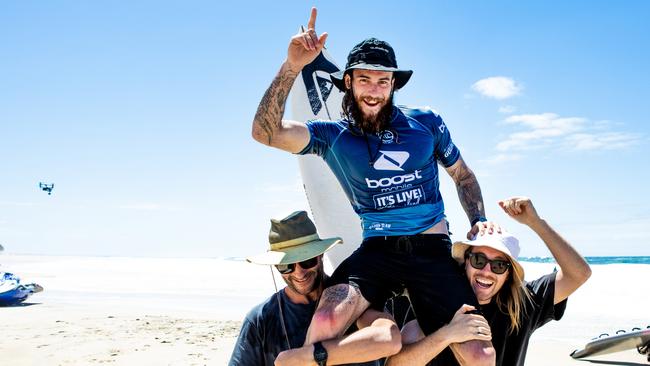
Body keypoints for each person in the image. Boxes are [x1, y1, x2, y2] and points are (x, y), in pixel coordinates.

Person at [251, 7, 496, 365]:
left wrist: (479, 220)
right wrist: (292, 66)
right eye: (365, 79)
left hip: (430, 248)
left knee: (480, 353)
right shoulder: (332, 136)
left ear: (394, 84)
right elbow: (265, 133)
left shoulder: (426, 123)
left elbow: (463, 176)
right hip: (376, 250)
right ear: (347, 82)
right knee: (324, 320)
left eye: (383, 81)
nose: (374, 91)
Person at [386, 196, 592, 366]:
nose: (486, 271)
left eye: (498, 265)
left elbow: (579, 274)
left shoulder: (523, 304)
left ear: (509, 274)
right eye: (479, 260)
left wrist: (535, 222)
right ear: (465, 261)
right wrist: (447, 335)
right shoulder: (436, 299)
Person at [228, 211, 401, 366]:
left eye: (306, 261)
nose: (299, 273)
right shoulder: (261, 319)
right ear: (276, 266)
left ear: (321, 255)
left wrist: (312, 356)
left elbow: (388, 337)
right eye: (286, 266)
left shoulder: (351, 298)